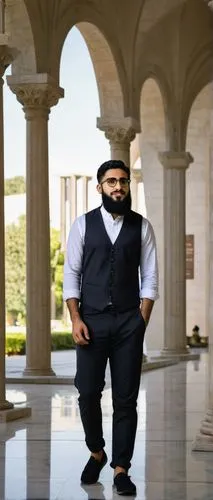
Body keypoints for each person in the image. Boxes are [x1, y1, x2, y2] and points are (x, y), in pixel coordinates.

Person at [63, 159, 159, 496]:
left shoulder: (142, 227)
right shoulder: (82, 225)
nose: (118, 187)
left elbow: (150, 277)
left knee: (126, 399)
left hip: (128, 324)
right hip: (90, 322)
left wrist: (140, 320)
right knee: (87, 391)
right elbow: (71, 275)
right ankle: (96, 451)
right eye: (111, 181)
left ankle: (121, 468)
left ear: (128, 185)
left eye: (123, 181)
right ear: (100, 187)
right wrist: (75, 319)